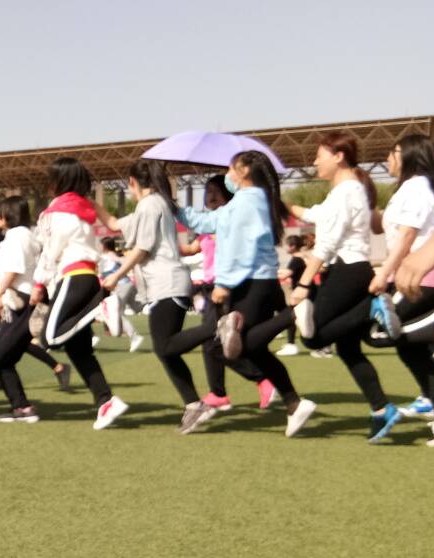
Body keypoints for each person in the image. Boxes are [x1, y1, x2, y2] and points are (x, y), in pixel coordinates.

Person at [178, 150, 316, 437]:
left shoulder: (246, 202)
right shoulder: (249, 200)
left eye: (231, 168)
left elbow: (240, 247)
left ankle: (293, 315)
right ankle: (293, 403)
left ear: (243, 171)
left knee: (231, 346)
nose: (227, 174)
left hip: (251, 281)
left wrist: (223, 284)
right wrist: (176, 209)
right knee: (252, 348)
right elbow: (207, 223)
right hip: (258, 280)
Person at [285, 132, 398, 441]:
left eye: (319, 155)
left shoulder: (346, 191)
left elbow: (327, 244)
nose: (314, 162)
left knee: (313, 338)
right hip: (351, 269)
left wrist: (303, 284)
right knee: (348, 349)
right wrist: (283, 206)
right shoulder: (344, 191)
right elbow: (315, 215)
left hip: (348, 269)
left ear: (338, 156)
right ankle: (381, 408)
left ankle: (369, 309)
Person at [96, 159, 214, 433]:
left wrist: (115, 275)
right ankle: (194, 405)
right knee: (165, 351)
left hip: (167, 284)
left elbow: (142, 249)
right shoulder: (152, 206)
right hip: (166, 284)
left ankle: (216, 328)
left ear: (132, 182)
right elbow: (112, 223)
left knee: (165, 346)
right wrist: (89, 204)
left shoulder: (149, 205)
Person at [28, 157, 128, 429]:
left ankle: (100, 308)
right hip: (89, 277)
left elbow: (50, 252)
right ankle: (105, 400)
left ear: (58, 181)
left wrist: (38, 285)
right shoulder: (85, 207)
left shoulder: (54, 212)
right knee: (79, 350)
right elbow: (113, 226)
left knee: (49, 337)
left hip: (72, 277)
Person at [370, 133, 434, 441]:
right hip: (414, 271)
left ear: (411, 155)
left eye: (394, 151)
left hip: (424, 276)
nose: (388, 157)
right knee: (406, 345)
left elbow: (408, 236)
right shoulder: (409, 189)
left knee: (382, 331)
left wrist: (385, 273)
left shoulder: (417, 188)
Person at [0, 195, 70, 422]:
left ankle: (22, 408)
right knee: (5, 356)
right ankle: (22, 406)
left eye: (1, 213)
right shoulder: (24, 235)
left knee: (0, 356)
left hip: (21, 300)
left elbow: (14, 269)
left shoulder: (17, 236)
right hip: (28, 300)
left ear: (9, 214)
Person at [276, 234, 305, 356]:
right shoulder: (299, 258)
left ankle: (291, 345)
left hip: (302, 294)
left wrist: (269, 273)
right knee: (292, 316)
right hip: (302, 293)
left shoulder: (297, 259)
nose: (285, 248)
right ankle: (290, 343)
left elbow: (286, 274)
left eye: (286, 245)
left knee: (290, 317)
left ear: (292, 246)